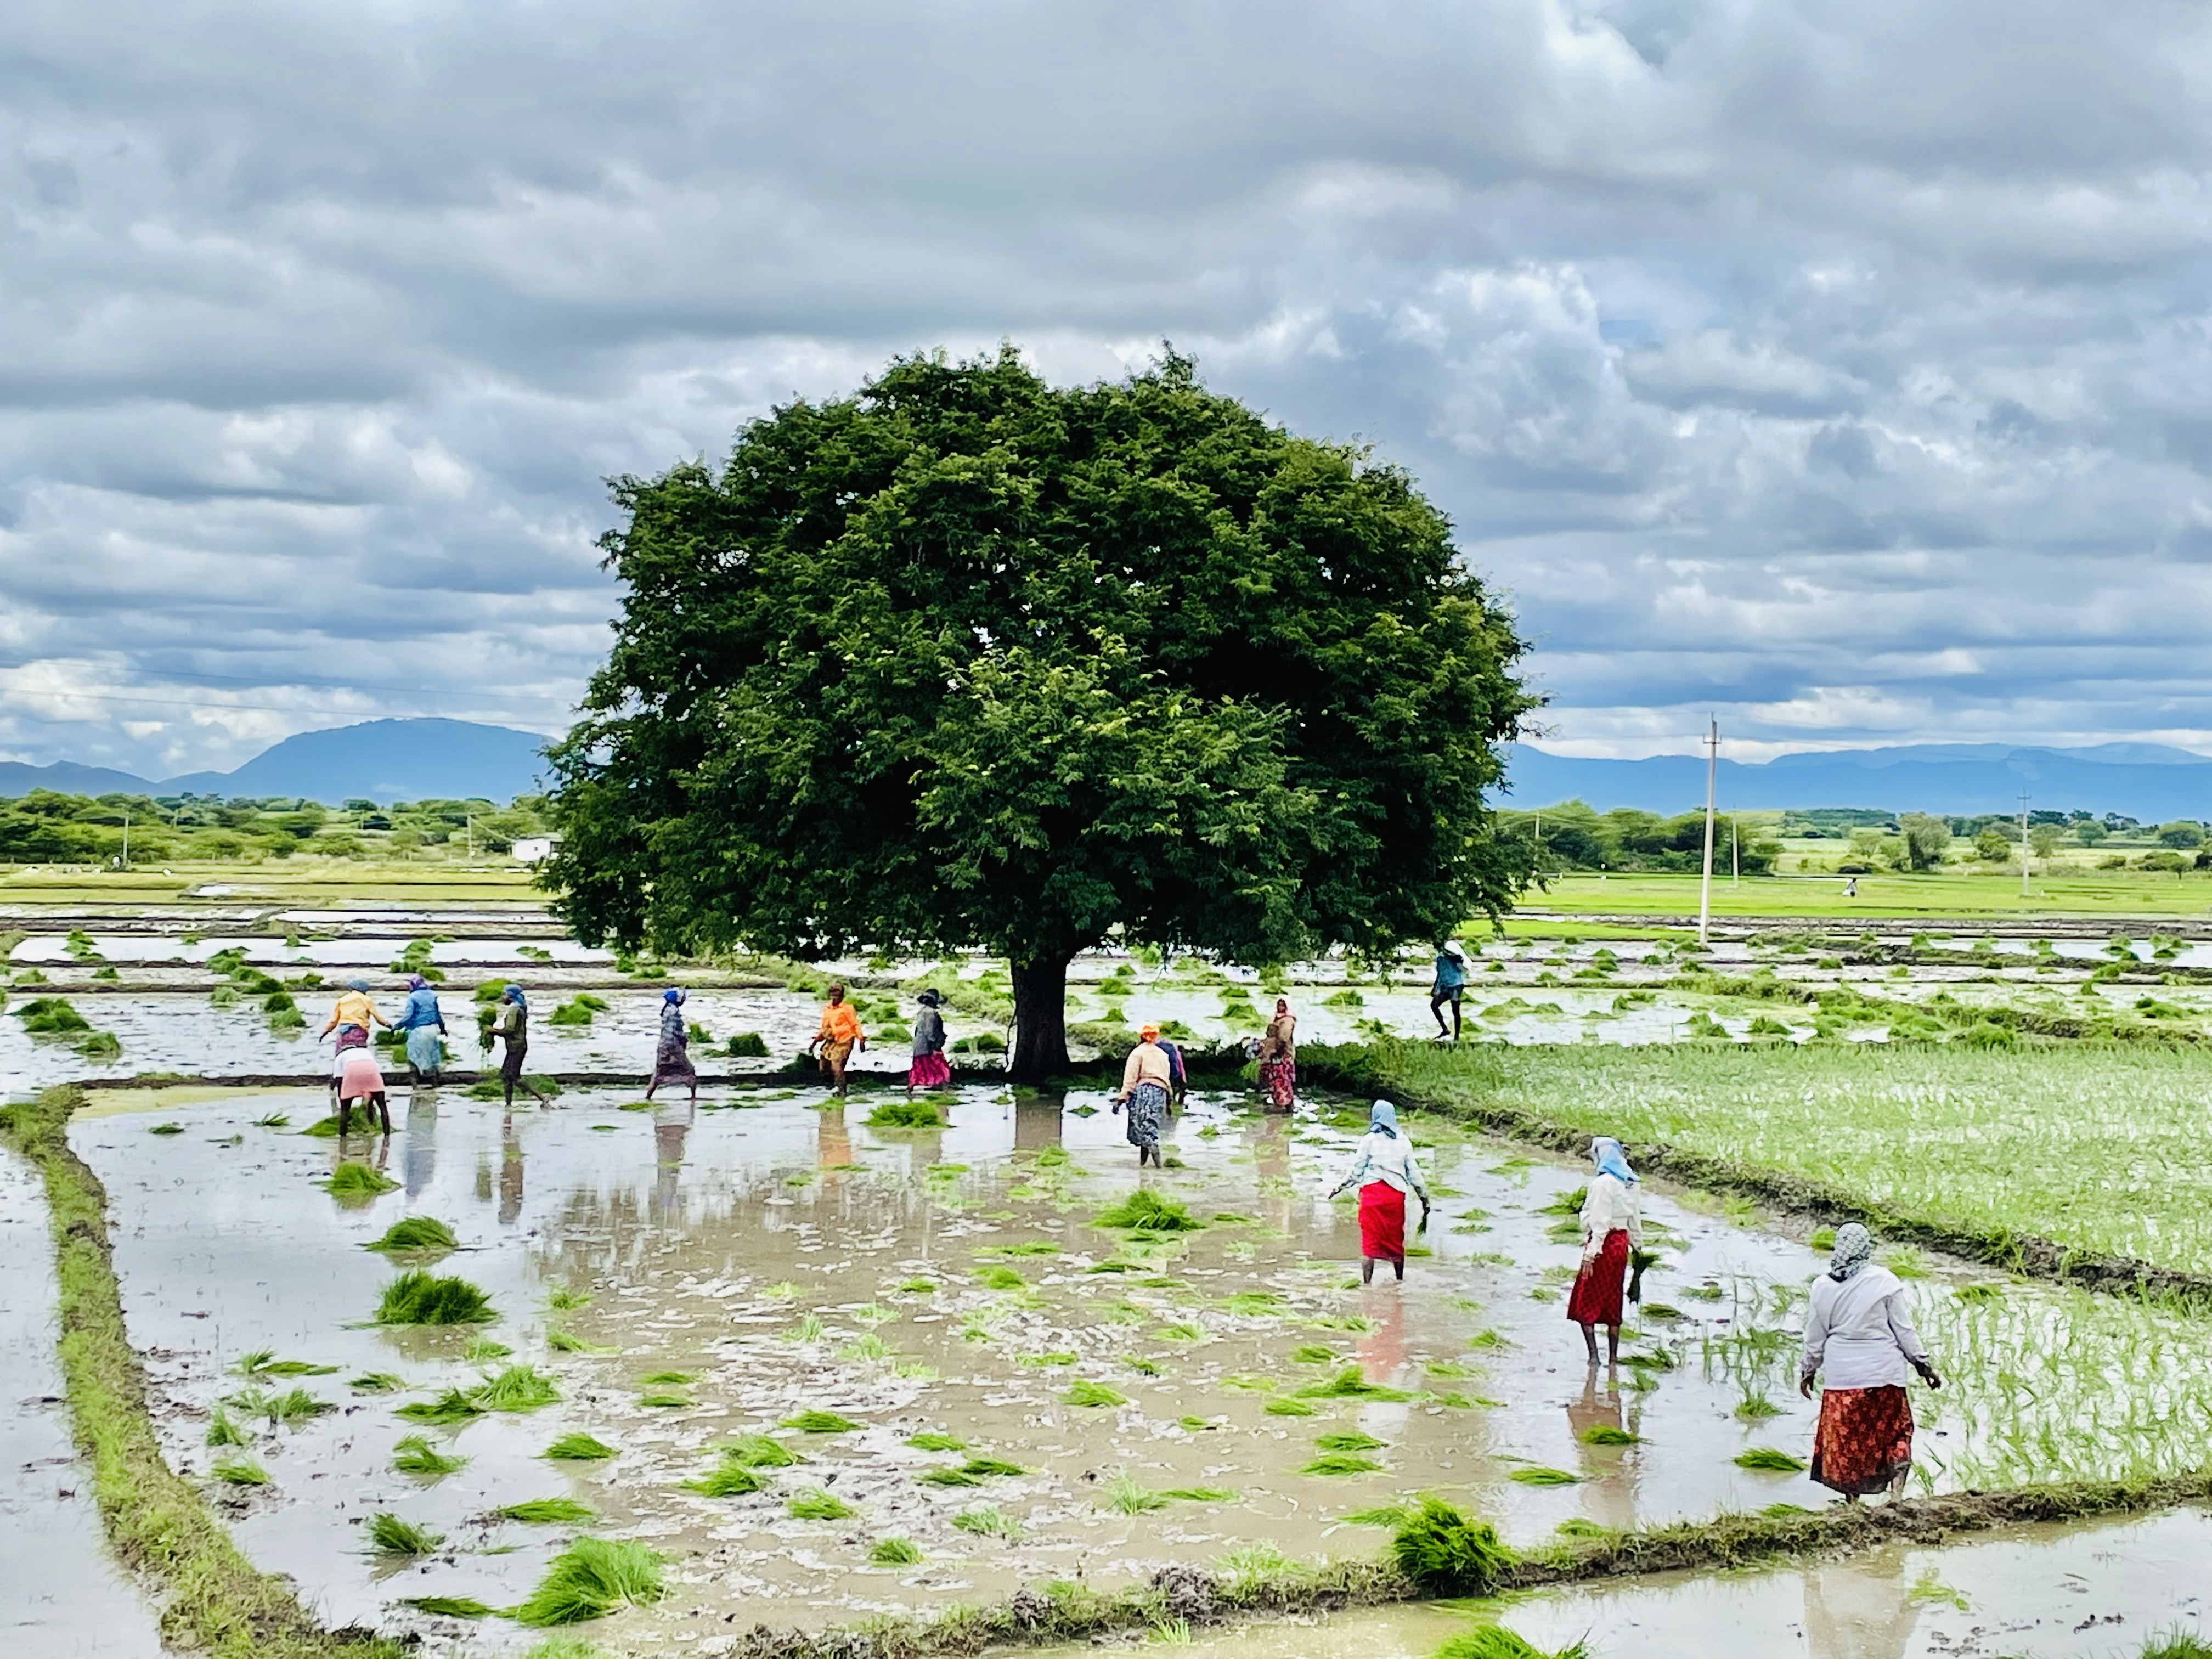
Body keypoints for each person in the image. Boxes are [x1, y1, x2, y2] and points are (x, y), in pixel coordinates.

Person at [1799, 1223, 1943, 1502]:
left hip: (1843, 1380)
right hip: (1884, 1376)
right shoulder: (1884, 1281)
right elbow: (1904, 1331)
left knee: (1849, 1442)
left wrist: (1808, 1371)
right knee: (1896, 1432)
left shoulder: (1822, 1287)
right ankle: (1896, 1495)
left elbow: (1814, 1338)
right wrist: (1923, 1366)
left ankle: (1853, 1503)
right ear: (1866, 1249)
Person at [1327, 1100, 1430, 1283]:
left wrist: (1338, 1188)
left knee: (1370, 1245)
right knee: (1396, 1243)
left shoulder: (1369, 1140)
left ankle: (1367, 1285)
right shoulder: (1404, 1142)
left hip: (1372, 1197)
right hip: (1395, 1198)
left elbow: (1356, 1172)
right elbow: (1415, 1174)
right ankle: (1399, 1281)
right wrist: (1425, 1199)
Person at [1567, 1136, 1642, 1365]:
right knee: (1612, 1298)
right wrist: (1638, 1250)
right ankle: (1613, 1358)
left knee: (1585, 1301)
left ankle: (1594, 1358)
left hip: (1604, 1246)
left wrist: (1591, 1255)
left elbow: (1600, 1224)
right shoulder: (1631, 1182)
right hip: (1620, 1246)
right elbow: (1635, 1221)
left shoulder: (1603, 1184)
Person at [1111, 1022, 1175, 1167]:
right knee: (1150, 1124)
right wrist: (1169, 1100)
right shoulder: (1162, 1054)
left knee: (1145, 1127)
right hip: (1160, 1093)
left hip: (1144, 1092)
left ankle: (1159, 1165)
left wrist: (1122, 1098)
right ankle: (1143, 1164)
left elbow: (1130, 1078)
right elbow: (1166, 1078)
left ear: (1141, 1037)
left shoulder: (1137, 1053)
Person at [321, 977, 388, 1107]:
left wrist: (326, 1032)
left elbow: (334, 1021)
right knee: (359, 1057)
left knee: (341, 1058)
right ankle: (364, 1087)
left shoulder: (342, 1000)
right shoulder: (366, 1000)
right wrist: (388, 1025)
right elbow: (378, 1017)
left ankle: (337, 1084)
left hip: (343, 1033)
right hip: (359, 1032)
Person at [808, 984, 865, 1098]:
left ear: (842, 996)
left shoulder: (847, 1009)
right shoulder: (828, 1010)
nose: (835, 996)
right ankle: (835, 1084)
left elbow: (855, 1024)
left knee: (837, 1064)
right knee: (823, 1066)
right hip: (831, 1041)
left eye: (838, 994)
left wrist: (861, 1039)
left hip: (845, 1039)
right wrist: (814, 1043)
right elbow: (824, 1029)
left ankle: (842, 1090)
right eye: (833, 993)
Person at [392, 973, 449, 1086]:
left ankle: (415, 1082)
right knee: (432, 1055)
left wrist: (397, 1026)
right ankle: (435, 1082)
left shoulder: (413, 997)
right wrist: (443, 1029)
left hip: (418, 1031)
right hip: (432, 1030)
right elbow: (438, 1014)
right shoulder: (432, 995)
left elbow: (408, 1016)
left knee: (414, 1055)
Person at [645, 986, 698, 1103]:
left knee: (659, 1072)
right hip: (673, 1047)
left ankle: (648, 1097)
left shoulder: (667, 1010)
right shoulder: (674, 1012)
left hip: (663, 1046)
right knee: (689, 1071)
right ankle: (693, 1098)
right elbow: (675, 1031)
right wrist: (684, 1041)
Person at [486, 983, 531, 1107]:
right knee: (506, 1076)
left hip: (517, 1046)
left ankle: (542, 1098)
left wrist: (492, 1031)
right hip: (515, 1046)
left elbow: (509, 1030)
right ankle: (508, 1104)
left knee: (513, 1076)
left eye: (505, 994)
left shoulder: (514, 1010)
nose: (503, 997)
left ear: (511, 996)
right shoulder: (520, 1008)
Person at [335, 1045, 392, 1137]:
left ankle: (343, 1137)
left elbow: (338, 1080)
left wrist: (343, 1100)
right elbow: (376, 1069)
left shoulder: (340, 1056)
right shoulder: (366, 1052)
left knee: (345, 1112)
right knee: (382, 1107)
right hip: (371, 1073)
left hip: (352, 1073)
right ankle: (387, 1134)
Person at [1256, 996, 1297, 1111]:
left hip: (1282, 1054)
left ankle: (1286, 1104)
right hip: (1272, 1052)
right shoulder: (1277, 1018)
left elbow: (1283, 1038)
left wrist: (1277, 1052)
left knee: (1282, 1079)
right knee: (1273, 1078)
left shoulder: (1288, 1020)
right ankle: (1279, 1102)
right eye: (1279, 1005)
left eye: (1283, 1005)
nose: (1280, 1007)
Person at [907, 989, 950, 1098]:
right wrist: (934, 1045)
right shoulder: (931, 1014)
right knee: (942, 1068)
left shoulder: (922, 1012)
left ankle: (911, 1090)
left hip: (919, 1046)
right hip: (929, 1047)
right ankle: (946, 1091)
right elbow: (929, 1032)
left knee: (919, 1069)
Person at [1430, 941, 1469, 1040]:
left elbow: (1462, 969)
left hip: (1456, 985)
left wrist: (1455, 959)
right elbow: (1440, 974)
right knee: (1434, 1005)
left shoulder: (1454, 958)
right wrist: (1436, 987)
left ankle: (1457, 1037)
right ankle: (1445, 1029)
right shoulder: (1440, 960)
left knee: (1455, 1010)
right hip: (1446, 986)